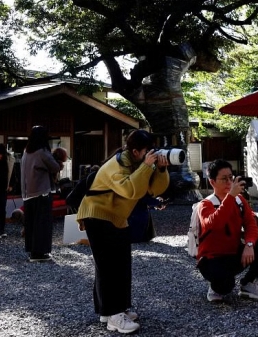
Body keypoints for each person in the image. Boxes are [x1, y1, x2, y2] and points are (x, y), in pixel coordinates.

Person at [76, 130, 170, 334]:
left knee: (121, 263)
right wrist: (146, 167)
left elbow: (155, 190)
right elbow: (131, 190)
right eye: (148, 151)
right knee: (107, 265)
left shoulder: (139, 163)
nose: (151, 155)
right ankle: (113, 316)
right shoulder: (116, 165)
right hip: (97, 214)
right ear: (136, 151)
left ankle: (112, 310)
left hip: (116, 217)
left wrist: (160, 169)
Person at [197, 159, 258, 302]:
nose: (229, 182)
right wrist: (230, 196)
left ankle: (249, 283)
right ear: (212, 182)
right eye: (224, 179)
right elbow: (215, 224)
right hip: (211, 259)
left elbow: (251, 223)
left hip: (232, 253)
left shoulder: (239, 200)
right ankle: (216, 285)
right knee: (225, 287)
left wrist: (249, 244)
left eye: (231, 177)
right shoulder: (205, 204)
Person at [20, 125, 62, 262]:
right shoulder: (42, 152)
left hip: (27, 192)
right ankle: (39, 253)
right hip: (41, 191)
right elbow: (55, 167)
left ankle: (32, 251)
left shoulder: (26, 151)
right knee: (42, 223)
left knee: (31, 223)